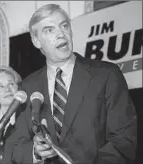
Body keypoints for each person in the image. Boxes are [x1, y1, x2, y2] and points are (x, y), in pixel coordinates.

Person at [13, 4, 137, 164]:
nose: (60, 34)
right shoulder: (28, 86)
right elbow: (15, 144)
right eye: (49, 30)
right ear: (36, 41)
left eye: (64, 26)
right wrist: (35, 152)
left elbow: (124, 139)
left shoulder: (106, 74)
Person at [0, 64, 26, 164]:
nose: (7, 89)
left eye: (11, 84)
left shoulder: (28, 119)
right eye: (0, 86)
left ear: (18, 88)